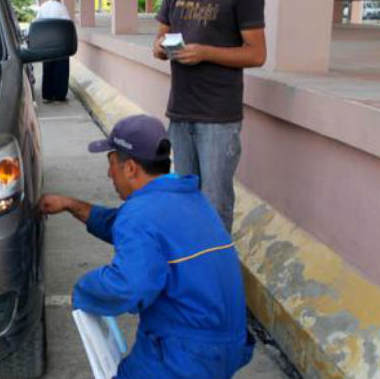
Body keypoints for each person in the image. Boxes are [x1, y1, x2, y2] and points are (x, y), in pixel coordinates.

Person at [40, 114, 254, 379]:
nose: (109, 174)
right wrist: (71, 205)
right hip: (230, 343)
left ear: (130, 168)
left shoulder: (140, 214)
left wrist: (84, 289)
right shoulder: (189, 200)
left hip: (187, 352)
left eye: (111, 164)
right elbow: (121, 225)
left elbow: (127, 286)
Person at [152, 0, 266, 233]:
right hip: (180, 113)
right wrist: (160, 48)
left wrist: (206, 53)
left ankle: (215, 280)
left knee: (215, 206)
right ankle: (191, 277)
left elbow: (257, 54)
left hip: (218, 118)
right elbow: (160, 37)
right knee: (184, 203)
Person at [36, 0, 71, 102]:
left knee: (48, 69)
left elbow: (37, 23)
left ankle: (47, 94)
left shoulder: (43, 7)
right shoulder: (62, 8)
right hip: (60, 43)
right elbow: (67, 24)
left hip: (47, 43)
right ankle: (59, 95)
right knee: (61, 69)